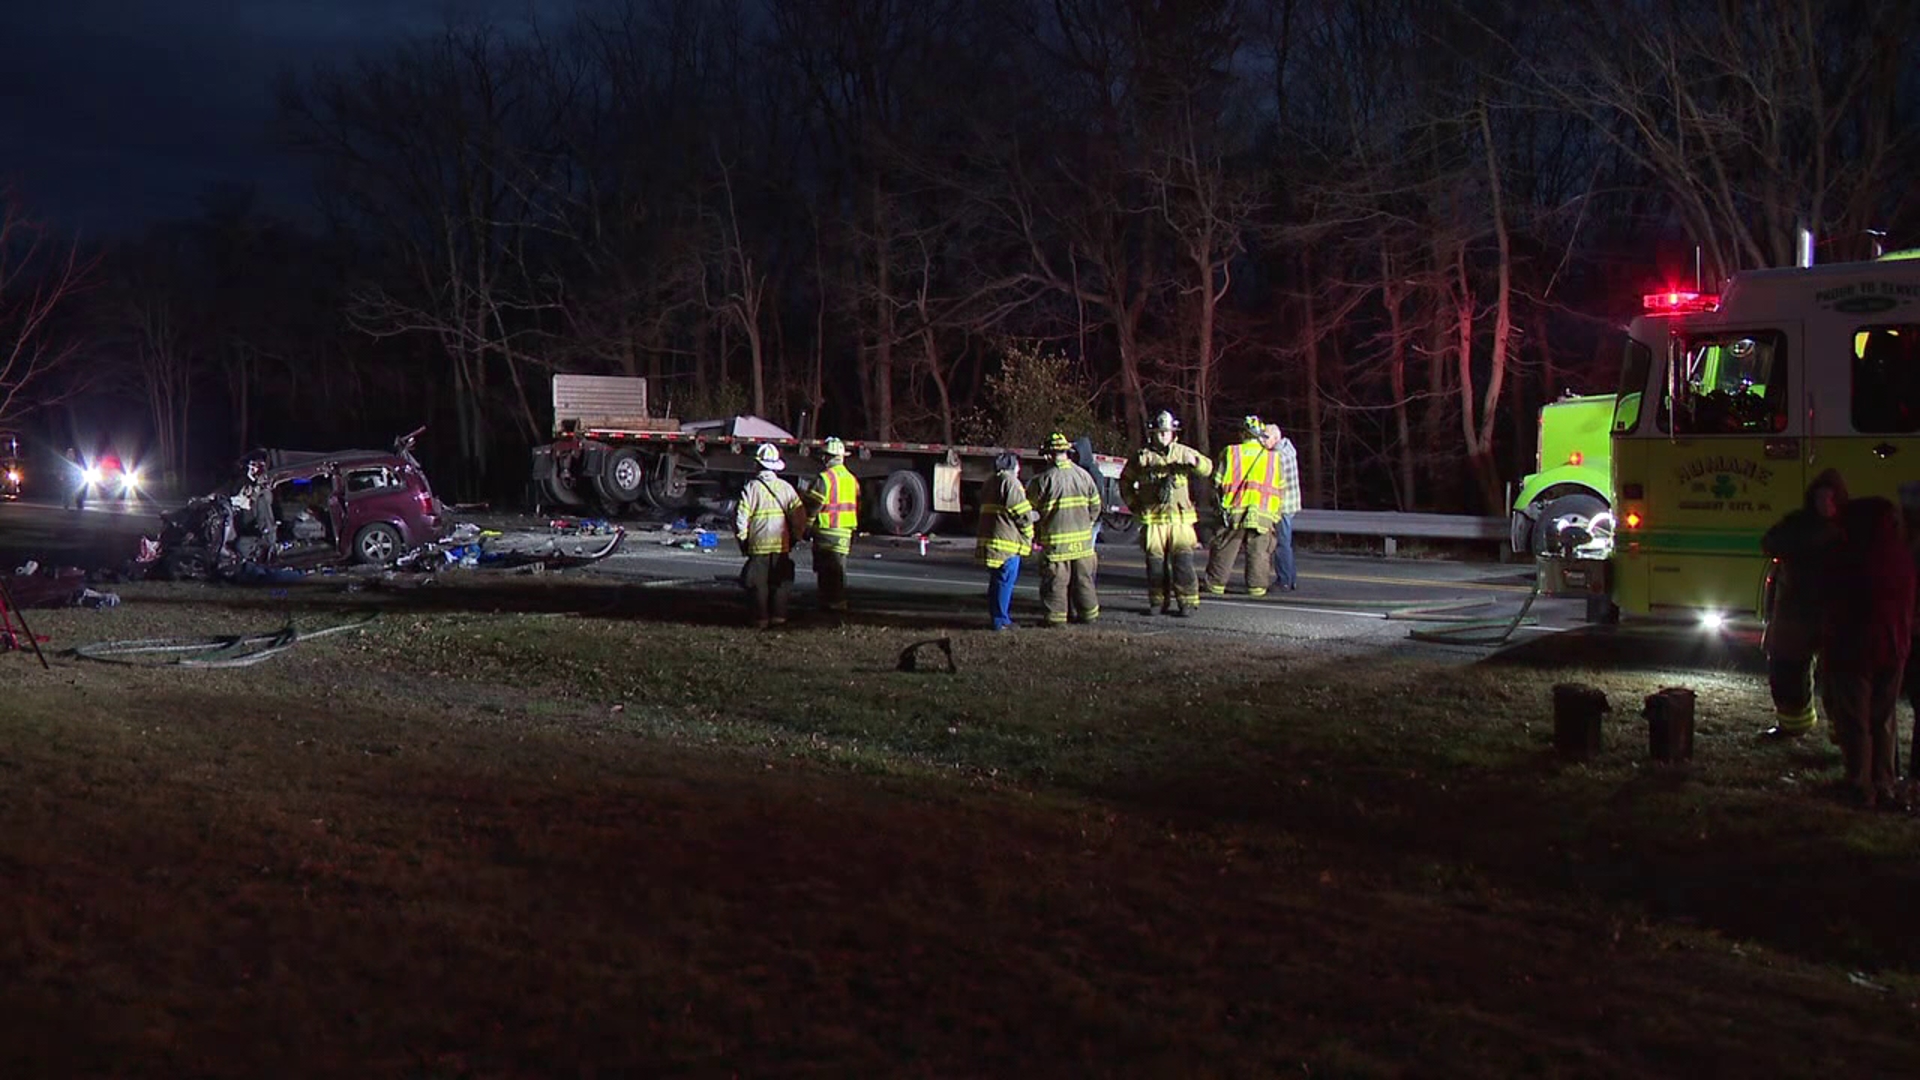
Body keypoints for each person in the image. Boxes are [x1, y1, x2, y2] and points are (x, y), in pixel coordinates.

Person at [1820, 495, 1914, 809]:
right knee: (1882, 720)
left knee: (1854, 721)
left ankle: (1859, 785)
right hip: (1894, 648)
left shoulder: (1849, 557)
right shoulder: (1900, 556)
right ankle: (1884, 783)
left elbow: (1833, 602)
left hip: (1854, 650)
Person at [1759, 469, 1849, 740]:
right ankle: (1792, 725)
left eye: (1830, 498)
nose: (1825, 504)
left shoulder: (1849, 527)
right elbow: (1769, 542)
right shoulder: (1797, 524)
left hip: (1835, 612)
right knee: (1787, 670)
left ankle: (1843, 733)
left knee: (1840, 678)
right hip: (1795, 612)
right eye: (1820, 497)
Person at [1119, 410, 1212, 615]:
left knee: (1183, 563)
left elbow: (1207, 469)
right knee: (1155, 565)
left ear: (1173, 433)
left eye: (1167, 432)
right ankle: (1157, 602)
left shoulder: (1183, 452)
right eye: (1160, 432)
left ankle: (1187, 602)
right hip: (1153, 521)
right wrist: (1134, 505)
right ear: (1152, 433)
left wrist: (1195, 462)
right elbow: (1124, 482)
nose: (1163, 435)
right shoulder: (1142, 457)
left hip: (1180, 521)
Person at [1026, 432, 1102, 626]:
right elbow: (1096, 506)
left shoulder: (1042, 480)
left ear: (1049, 455)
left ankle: (1056, 620)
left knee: (1056, 583)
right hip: (1083, 545)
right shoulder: (1084, 476)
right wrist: (1087, 524)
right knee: (1084, 581)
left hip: (1056, 545)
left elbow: (1030, 510)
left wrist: (1036, 531)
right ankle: (1089, 616)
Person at [1205, 415, 1283, 597]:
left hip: (1234, 511)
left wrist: (1217, 507)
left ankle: (1216, 585)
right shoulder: (1273, 459)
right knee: (1259, 552)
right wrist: (1276, 515)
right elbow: (1280, 488)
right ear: (1259, 435)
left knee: (1225, 549)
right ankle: (1257, 588)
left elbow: (1216, 482)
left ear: (1242, 434)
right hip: (1263, 512)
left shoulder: (1230, 452)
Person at [734, 443, 809, 630]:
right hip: (781, 545)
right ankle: (779, 617)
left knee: (757, 585)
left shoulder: (750, 488)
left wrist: (743, 539)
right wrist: (796, 536)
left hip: (758, 544)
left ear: (758, 465)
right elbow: (799, 516)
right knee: (779, 583)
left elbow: (740, 518)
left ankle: (760, 619)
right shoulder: (786, 488)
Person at [975, 451, 1034, 631]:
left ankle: (997, 617)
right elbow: (1022, 514)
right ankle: (1001, 621)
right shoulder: (1011, 483)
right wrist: (1028, 532)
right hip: (1007, 543)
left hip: (992, 540)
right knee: (1004, 581)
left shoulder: (990, 482)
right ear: (1013, 465)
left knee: (996, 582)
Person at [803, 436, 859, 615]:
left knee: (826, 573)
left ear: (828, 457)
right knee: (839, 572)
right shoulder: (852, 479)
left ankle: (828, 607)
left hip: (827, 531)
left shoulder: (825, 479)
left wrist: (806, 527)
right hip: (845, 533)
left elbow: (813, 506)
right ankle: (839, 605)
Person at [1268, 423, 1302, 591]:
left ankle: (1284, 580)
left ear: (1275, 438)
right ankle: (1291, 578)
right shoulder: (1288, 448)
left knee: (1282, 544)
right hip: (1291, 503)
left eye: (1266, 438)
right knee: (1286, 542)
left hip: (1282, 505)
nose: (1263, 442)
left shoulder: (1277, 455)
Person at [63, 447, 85, 511]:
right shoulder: (65, 461)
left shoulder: (77, 462)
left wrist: (80, 477)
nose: (70, 455)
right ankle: (66, 504)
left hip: (75, 479)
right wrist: (62, 476)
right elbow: (62, 469)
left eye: (72, 453)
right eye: (69, 453)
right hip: (68, 479)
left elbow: (80, 469)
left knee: (79, 491)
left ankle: (79, 504)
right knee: (67, 492)